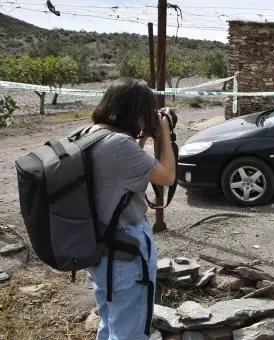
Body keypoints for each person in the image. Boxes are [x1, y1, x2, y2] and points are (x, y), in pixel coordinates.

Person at [84, 79, 176, 340]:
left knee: (109, 320)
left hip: (99, 245)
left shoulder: (91, 134)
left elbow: (125, 169)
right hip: (126, 249)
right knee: (130, 331)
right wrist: (165, 133)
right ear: (137, 110)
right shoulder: (119, 146)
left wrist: (143, 139)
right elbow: (167, 176)